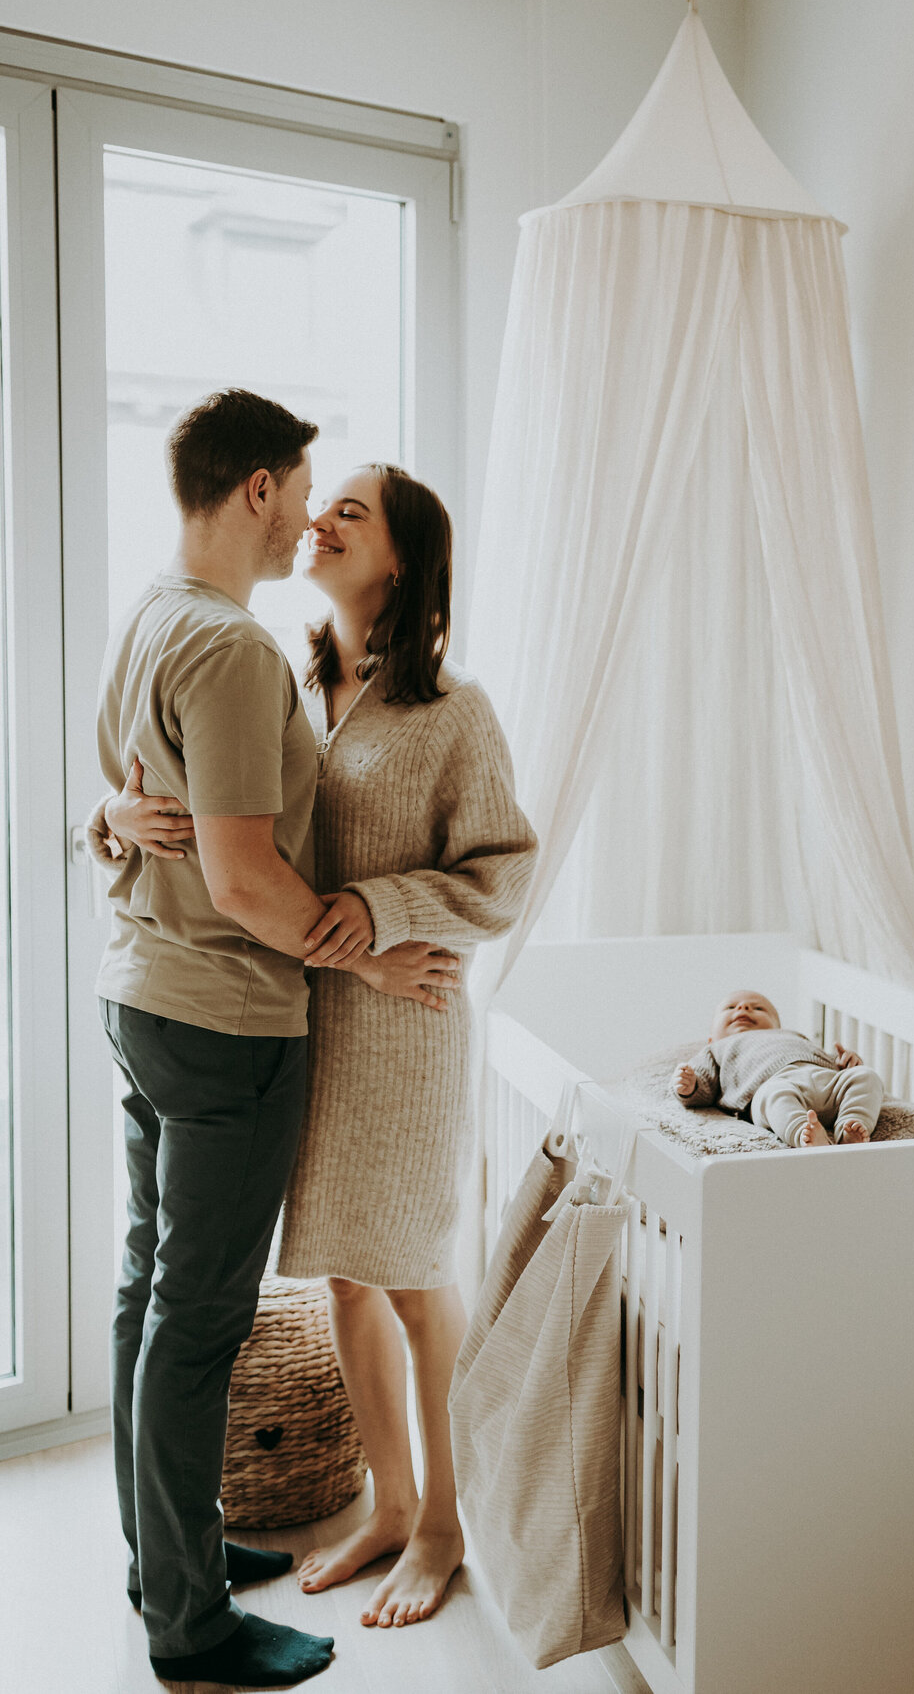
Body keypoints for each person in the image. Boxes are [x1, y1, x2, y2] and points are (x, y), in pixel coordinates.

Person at [107, 461, 537, 1633]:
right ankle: (388, 1503)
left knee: (409, 1273)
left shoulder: (456, 713)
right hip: (303, 1016)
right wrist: (115, 819)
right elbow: (215, 822)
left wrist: (392, 911)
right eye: (324, 502)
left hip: (403, 1032)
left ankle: (446, 1523)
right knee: (345, 1268)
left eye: (353, 511)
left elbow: (503, 873)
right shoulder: (287, 682)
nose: (323, 520)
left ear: (401, 561)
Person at [671, 989, 883, 1147]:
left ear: (778, 1026)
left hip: (823, 1079)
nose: (743, 1008)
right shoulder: (717, 1048)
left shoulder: (794, 1036)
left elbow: (828, 1061)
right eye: (731, 1008)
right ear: (711, 1038)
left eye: (758, 1008)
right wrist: (689, 1085)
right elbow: (704, 1087)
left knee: (866, 1076)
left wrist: (847, 1063)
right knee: (775, 1096)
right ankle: (805, 1133)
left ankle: (849, 1127)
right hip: (772, 1085)